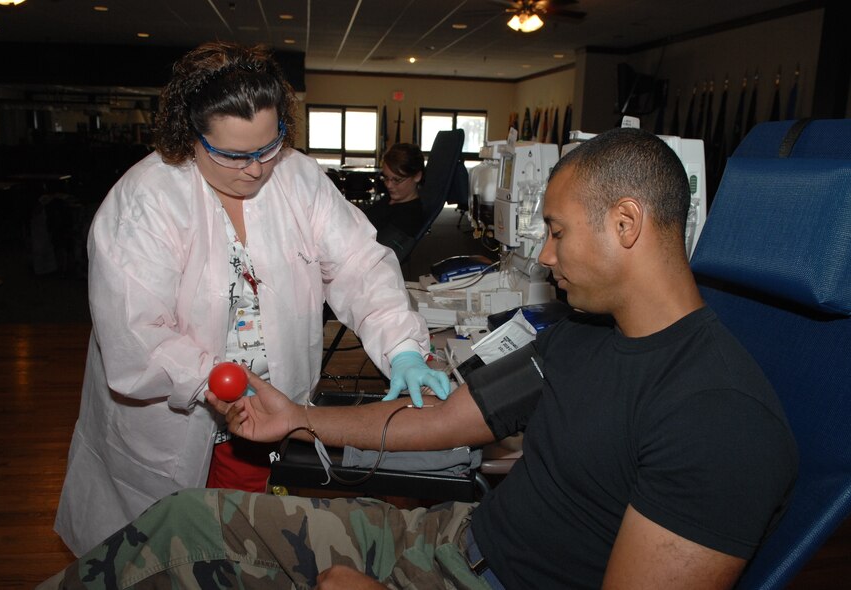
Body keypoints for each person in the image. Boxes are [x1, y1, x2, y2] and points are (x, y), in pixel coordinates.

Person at [40, 128, 798, 589]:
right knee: (184, 522)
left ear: (626, 224)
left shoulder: (720, 423)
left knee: (174, 566)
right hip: (451, 541)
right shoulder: (589, 333)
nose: (545, 253)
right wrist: (301, 419)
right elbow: (455, 417)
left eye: (559, 232)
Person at [52, 41, 450, 558]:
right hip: (177, 422)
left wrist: (401, 344)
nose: (256, 169)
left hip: (266, 419)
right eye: (234, 154)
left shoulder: (298, 178)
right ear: (187, 135)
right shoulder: (144, 202)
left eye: (268, 146)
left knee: (246, 544)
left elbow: (358, 264)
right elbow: (137, 331)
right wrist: (207, 380)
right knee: (164, 555)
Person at [363, 143, 426, 241]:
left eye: (397, 180)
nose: (389, 185)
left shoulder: (410, 218)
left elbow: (379, 250)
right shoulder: (391, 198)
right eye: (386, 178)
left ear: (417, 176)